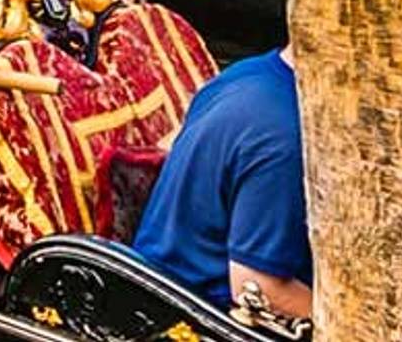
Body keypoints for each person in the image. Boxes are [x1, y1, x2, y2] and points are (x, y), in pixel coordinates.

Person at [128, 45, 310, 320]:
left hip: (160, 280)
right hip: (199, 315)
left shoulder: (246, 72)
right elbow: (259, 288)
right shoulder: (289, 140)